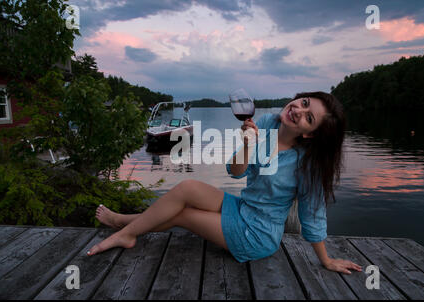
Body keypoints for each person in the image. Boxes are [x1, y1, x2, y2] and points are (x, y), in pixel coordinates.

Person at [87, 91, 363, 275]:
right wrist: (247, 144)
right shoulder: (266, 123)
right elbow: (235, 170)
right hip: (242, 207)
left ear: (310, 134)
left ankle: (126, 230)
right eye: (304, 103)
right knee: (186, 189)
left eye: (309, 117)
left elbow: (312, 214)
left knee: (182, 214)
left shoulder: (307, 165)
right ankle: (126, 224)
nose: (298, 110)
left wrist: (326, 260)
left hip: (258, 233)